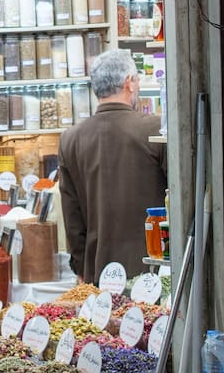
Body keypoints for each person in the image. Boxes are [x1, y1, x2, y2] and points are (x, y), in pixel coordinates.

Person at [59, 49, 167, 283]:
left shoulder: (71, 139)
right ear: (129, 83)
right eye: (137, 80)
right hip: (153, 273)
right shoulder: (157, 131)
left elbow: (72, 217)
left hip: (98, 272)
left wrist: (80, 268)